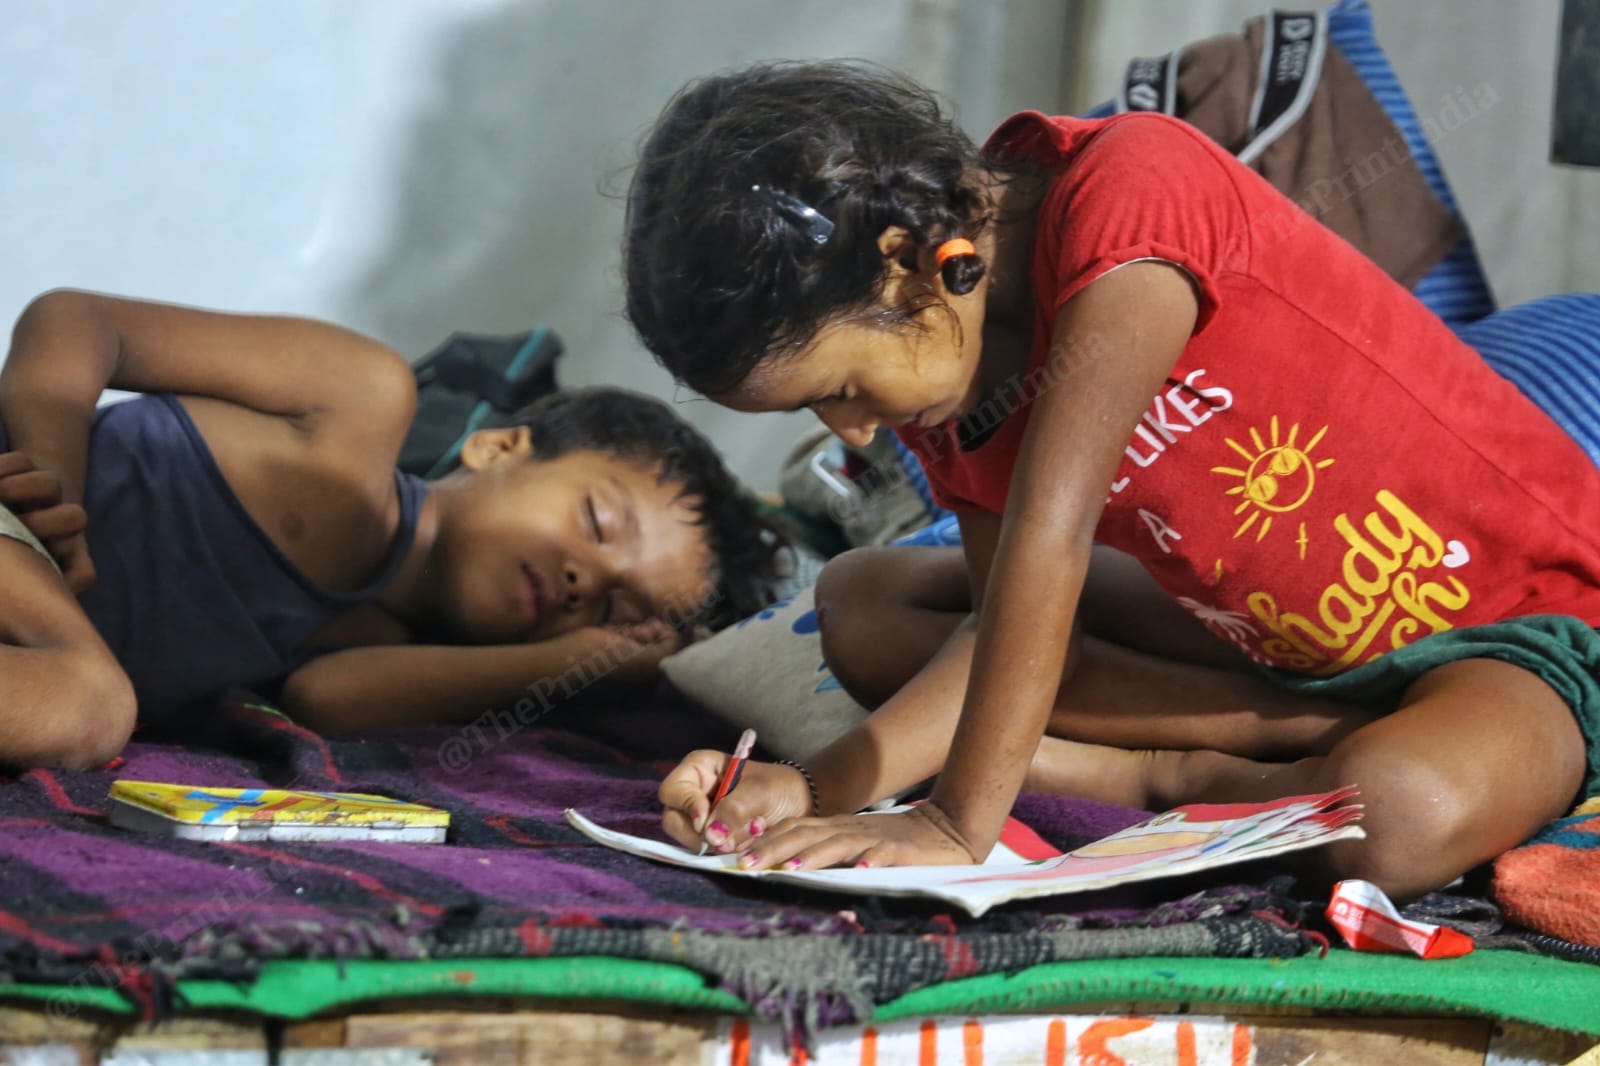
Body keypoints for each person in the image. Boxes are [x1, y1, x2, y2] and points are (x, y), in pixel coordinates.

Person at [628, 60, 1600, 901]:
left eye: (838, 385)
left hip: (1517, 627)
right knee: (863, 603)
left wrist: (956, 824)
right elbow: (1003, 618)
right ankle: (1277, 745)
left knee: (1398, 816)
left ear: (905, 271)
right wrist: (814, 786)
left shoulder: (1129, 195)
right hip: (1268, 645)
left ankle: (1161, 775)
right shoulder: (944, 374)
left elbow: (1047, 541)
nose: (850, 425)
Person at [0, 289, 784, 768]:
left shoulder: (387, 650)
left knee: (84, 704)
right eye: (597, 522)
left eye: (616, 611)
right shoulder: (359, 401)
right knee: (90, 706)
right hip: (16, 508)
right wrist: (53, 479)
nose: (589, 580)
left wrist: (575, 663)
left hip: (26, 642)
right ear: (500, 446)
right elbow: (79, 321)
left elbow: (324, 700)